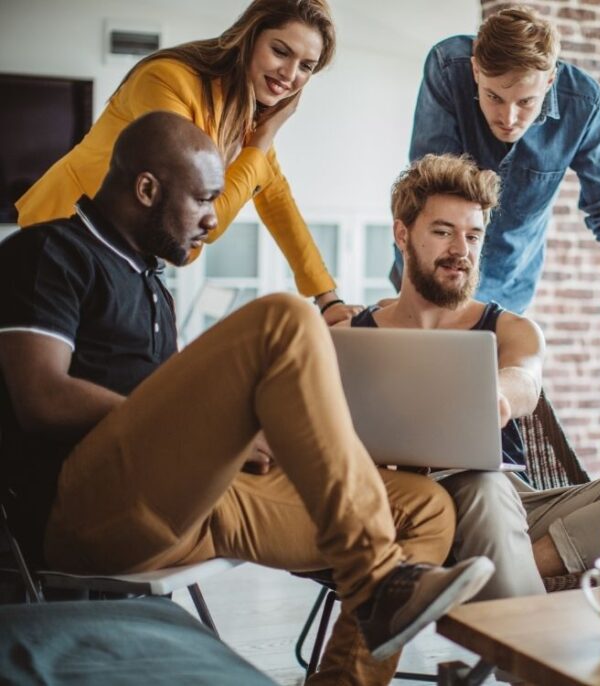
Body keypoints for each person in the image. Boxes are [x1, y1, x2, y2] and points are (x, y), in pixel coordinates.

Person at [0, 112, 494, 686]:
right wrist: (209, 427)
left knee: (424, 506)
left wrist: (234, 437)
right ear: (146, 189)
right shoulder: (49, 253)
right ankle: (379, 576)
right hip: (86, 510)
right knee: (284, 315)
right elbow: (41, 397)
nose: (214, 219)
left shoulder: (151, 284)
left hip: (193, 504)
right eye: (205, 198)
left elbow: (171, 416)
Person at [348, 152, 600, 601]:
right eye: (442, 232)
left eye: (473, 236)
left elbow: (524, 381)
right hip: (394, 510)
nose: (461, 251)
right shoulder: (351, 333)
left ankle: (508, 567)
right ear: (402, 233)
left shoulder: (510, 329)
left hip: (511, 505)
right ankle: (531, 648)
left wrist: (494, 396)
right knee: (483, 481)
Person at [15, 0, 358, 324]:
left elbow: (276, 198)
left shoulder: (243, 116)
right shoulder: (168, 81)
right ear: (249, 38)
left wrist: (327, 299)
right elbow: (204, 219)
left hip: (125, 254)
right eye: (280, 51)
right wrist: (264, 140)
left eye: (306, 67)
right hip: (62, 232)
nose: (290, 74)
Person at [399, 5, 600, 314]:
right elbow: (432, 185)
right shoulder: (448, 67)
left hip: (509, 289)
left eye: (526, 101)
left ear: (549, 81)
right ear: (476, 70)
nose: (508, 118)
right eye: (494, 97)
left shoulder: (585, 103)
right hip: (430, 273)